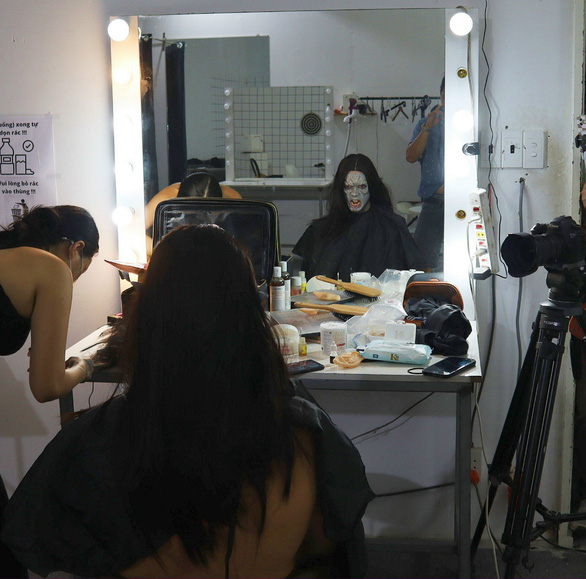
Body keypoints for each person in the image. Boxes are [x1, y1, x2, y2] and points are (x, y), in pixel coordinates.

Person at [2, 224, 374, 578]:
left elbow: (58, 542)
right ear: (249, 312)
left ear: (149, 316)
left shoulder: (98, 445)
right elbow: (325, 547)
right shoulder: (305, 438)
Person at [0, 204, 99, 577]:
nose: (72, 282)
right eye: (81, 271)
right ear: (75, 249)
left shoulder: (8, 251)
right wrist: (82, 367)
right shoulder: (52, 267)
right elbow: (47, 387)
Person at [292, 153, 422, 280]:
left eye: (362, 186)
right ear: (340, 189)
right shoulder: (319, 230)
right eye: (348, 187)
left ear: (371, 187)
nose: (354, 193)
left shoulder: (392, 227)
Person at [406, 77, 445, 271]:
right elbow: (411, 156)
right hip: (434, 201)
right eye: (447, 95)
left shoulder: (471, 123)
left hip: (464, 201)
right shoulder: (425, 123)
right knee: (421, 263)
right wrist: (429, 126)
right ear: (441, 95)